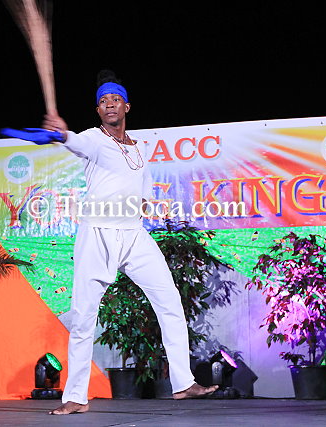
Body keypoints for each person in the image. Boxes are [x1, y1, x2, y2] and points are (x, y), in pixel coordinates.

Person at [43, 70, 218, 415]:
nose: (109, 105)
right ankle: (75, 397)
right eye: (103, 101)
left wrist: (142, 205)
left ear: (127, 106)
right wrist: (61, 133)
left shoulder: (140, 150)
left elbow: (144, 187)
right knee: (83, 317)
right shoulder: (94, 139)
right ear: (98, 110)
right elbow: (73, 141)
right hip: (97, 234)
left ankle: (183, 383)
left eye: (115, 100)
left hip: (134, 234)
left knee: (170, 301)